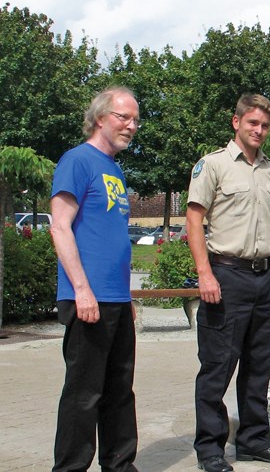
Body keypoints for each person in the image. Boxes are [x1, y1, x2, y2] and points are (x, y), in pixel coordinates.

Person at [187, 93, 270, 472]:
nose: (259, 130)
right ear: (236, 122)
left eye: (265, 125)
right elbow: (194, 221)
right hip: (226, 277)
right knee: (218, 366)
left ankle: (253, 442)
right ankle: (210, 449)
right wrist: (205, 273)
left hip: (265, 279)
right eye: (253, 123)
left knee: (259, 366)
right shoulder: (212, 165)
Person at [50, 86, 140, 472]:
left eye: (135, 119)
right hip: (87, 299)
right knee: (84, 394)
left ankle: (120, 465)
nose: (131, 126)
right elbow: (60, 228)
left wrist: (126, 297)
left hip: (116, 299)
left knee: (120, 391)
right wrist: (82, 291)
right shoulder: (77, 160)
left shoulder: (115, 169)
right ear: (100, 117)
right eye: (123, 117)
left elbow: (109, 237)